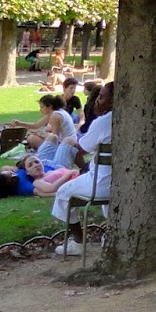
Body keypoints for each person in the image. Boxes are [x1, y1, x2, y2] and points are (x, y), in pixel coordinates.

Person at [51, 81, 114, 258]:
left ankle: (79, 242)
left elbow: (83, 147)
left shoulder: (103, 122)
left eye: (102, 97)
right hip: (126, 182)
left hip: (101, 183)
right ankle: (111, 234)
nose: (98, 101)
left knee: (63, 193)